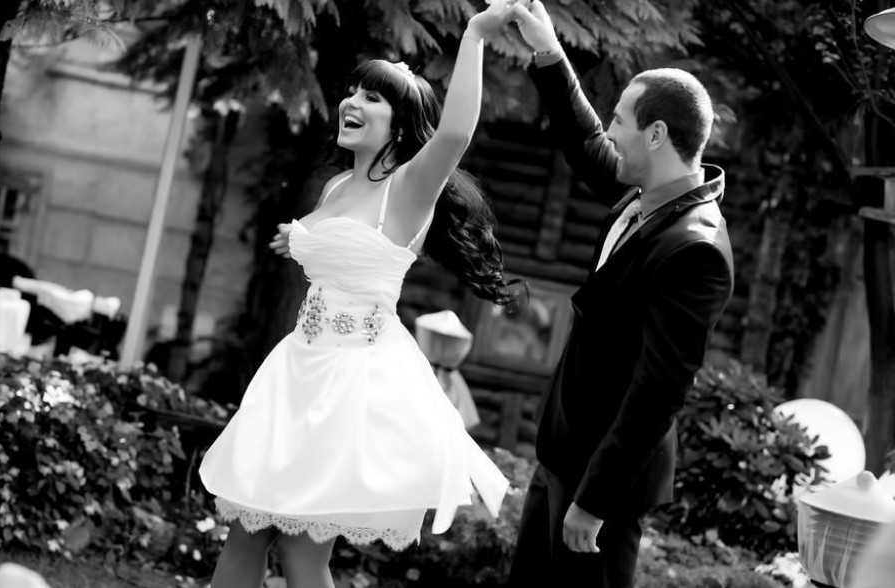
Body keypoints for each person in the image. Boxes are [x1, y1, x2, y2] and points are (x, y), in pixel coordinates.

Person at [199, 4, 519, 588]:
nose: (352, 101)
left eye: (372, 97)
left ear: (399, 125)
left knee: (302, 553)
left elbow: (454, 134)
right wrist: (298, 239)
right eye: (352, 91)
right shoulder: (337, 185)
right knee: (245, 528)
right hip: (294, 373)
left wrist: (474, 35)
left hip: (348, 385)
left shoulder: (409, 187)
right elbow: (336, 248)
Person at [506, 1, 735, 587]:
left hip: (600, 488)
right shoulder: (644, 194)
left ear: (656, 134)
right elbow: (586, 140)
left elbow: (659, 392)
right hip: (560, 459)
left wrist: (594, 501)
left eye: (620, 121)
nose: (609, 131)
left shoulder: (696, 249)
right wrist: (548, 52)